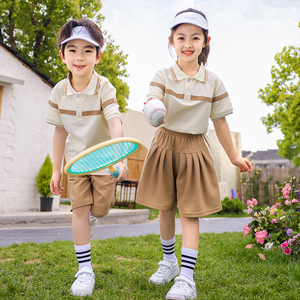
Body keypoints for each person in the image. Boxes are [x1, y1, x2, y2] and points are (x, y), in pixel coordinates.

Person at [136, 8, 252, 300]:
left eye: (195, 37)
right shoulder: (162, 74)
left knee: (190, 214)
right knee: (164, 208)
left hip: (195, 149)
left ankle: (187, 278)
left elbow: (220, 122)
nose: (188, 43)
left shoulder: (213, 82)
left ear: (205, 41)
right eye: (181, 37)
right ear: (172, 40)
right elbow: (152, 99)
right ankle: (169, 263)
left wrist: (234, 157)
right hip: (164, 144)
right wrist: (152, 107)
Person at [46, 18, 128, 297]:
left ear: (98, 56)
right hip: (77, 162)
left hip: (104, 160)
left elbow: (115, 121)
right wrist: (57, 170)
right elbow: (59, 132)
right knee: (79, 210)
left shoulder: (104, 86)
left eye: (88, 50)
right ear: (62, 54)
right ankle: (84, 270)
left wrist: (120, 157)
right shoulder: (58, 91)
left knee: (100, 209)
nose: (79, 57)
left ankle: (95, 216)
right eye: (73, 50)